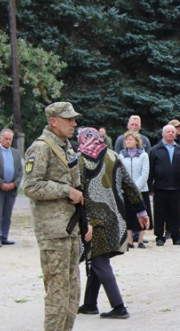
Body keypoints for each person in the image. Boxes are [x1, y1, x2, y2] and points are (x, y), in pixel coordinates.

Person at [22, 102, 88, 330]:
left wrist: (84, 221)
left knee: (72, 293)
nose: (74, 123)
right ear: (53, 121)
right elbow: (31, 186)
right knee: (57, 295)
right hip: (53, 232)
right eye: (68, 119)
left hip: (69, 229)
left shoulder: (65, 147)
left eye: (74, 119)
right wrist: (64, 191)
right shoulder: (41, 148)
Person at [74, 128, 149, 319]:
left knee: (99, 260)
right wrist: (141, 211)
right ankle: (90, 303)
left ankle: (119, 306)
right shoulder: (113, 156)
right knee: (97, 257)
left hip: (93, 219)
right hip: (115, 218)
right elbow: (130, 185)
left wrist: (84, 221)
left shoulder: (80, 160)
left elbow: (78, 193)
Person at [148, 124, 180, 246]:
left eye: (173, 132)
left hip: (176, 188)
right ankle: (160, 237)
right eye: (168, 132)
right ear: (163, 134)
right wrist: (150, 186)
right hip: (160, 187)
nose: (171, 133)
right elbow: (150, 169)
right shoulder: (155, 150)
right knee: (160, 213)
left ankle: (176, 237)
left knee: (176, 213)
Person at [0, 129, 23, 248]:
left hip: (11, 189)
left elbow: (20, 171)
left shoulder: (16, 153)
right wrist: (1, 183)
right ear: (0, 138)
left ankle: (4, 237)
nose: (8, 141)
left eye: (10, 139)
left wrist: (14, 184)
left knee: (7, 214)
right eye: (6, 138)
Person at [120, 131, 151, 248]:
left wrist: (135, 188)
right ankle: (129, 240)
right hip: (126, 190)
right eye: (127, 139)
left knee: (142, 211)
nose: (128, 141)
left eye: (131, 139)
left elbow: (145, 173)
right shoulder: (121, 155)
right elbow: (121, 173)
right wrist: (128, 188)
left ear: (137, 141)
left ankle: (141, 240)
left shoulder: (143, 155)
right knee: (128, 214)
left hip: (141, 189)